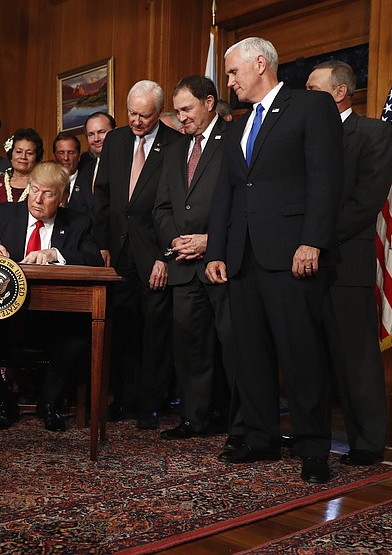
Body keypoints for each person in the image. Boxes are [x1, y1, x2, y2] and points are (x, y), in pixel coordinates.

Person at [205, 37, 343, 483]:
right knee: (250, 355)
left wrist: (313, 242)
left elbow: (326, 180)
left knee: (301, 353)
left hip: (291, 254)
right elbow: (227, 192)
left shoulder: (310, 107)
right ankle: (261, 439)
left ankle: (313, 448)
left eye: (232, 73)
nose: (229, 82)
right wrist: (217, 252)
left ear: (259, 64)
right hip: (242, 257)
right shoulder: (237, 125)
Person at [0, 162, 103, 431]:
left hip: (53, 321)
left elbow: (94, 259)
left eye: (48, 193)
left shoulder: (78, 222)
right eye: (34, 189)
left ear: (62, 198)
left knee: (78, 343)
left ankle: (49, 404)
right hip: (3, 319)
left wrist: (55, 254)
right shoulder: (0, 215)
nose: (38, 199)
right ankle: (3, 403)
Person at [306, 61, 392, 466]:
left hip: (346, 261)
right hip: (299, 264)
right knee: (309, 357)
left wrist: (317, 237)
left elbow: (366, 200)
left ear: (339, 92)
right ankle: (312, 437)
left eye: (312, 87)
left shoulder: (374, 132)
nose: (304, 95)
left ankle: (367, 442)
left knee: (356, 358)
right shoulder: (303, 134)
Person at [153, 75, 243, 443]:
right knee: (189, 348)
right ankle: (195, 418)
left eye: (187, 109)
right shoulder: (175, 150)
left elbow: (243, 202)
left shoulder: (234, 139)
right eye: (177, 111)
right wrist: (175, 238)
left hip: (220, 263)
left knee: (234, 347)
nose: (181, 117)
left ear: (209, 102)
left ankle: (242, 424)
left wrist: (208, 241)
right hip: (183, 266)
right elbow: (161, 207)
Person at [93, 80, 182, 430]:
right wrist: (101, 243)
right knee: (123, 328)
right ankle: (125, 399)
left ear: (158, 112)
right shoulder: (114, 140)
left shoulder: (175, 144)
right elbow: (102, 196)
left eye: (144, 115)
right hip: (117, 252)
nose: (137, 121)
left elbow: (175, 206)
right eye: (132, 113)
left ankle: (151, 403)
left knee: (155, 332)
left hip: (155, 254)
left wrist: (165, 254)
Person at [69, 111, 116, 214]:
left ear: (115, 132)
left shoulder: (129, 164)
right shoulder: (85, 171)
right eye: (91, 134)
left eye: (101, 132)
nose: (96, 139)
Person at [0, 128, 44, 203]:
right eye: (19, 152)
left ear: (37, 157)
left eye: (29, 153)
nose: (23, 157)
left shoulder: (43, 184)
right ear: (11, 154)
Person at [52, 132, 81, 203]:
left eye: (71, 152)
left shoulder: (88, 183)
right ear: (54, 156)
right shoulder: (46, 182)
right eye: (61, 152)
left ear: (79, 156)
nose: (66, 158)